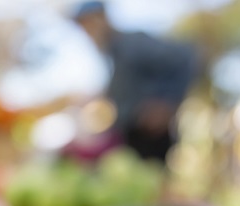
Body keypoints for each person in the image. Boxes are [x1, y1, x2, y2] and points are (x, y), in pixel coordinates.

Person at [70, 1, 199, 164]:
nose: (87, 33)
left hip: (150, 137)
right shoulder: (115, 55)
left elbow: (185, 57)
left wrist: (167, 101)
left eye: (87, 25)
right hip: (131, 138)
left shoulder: (133, 44)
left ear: (100, 19)